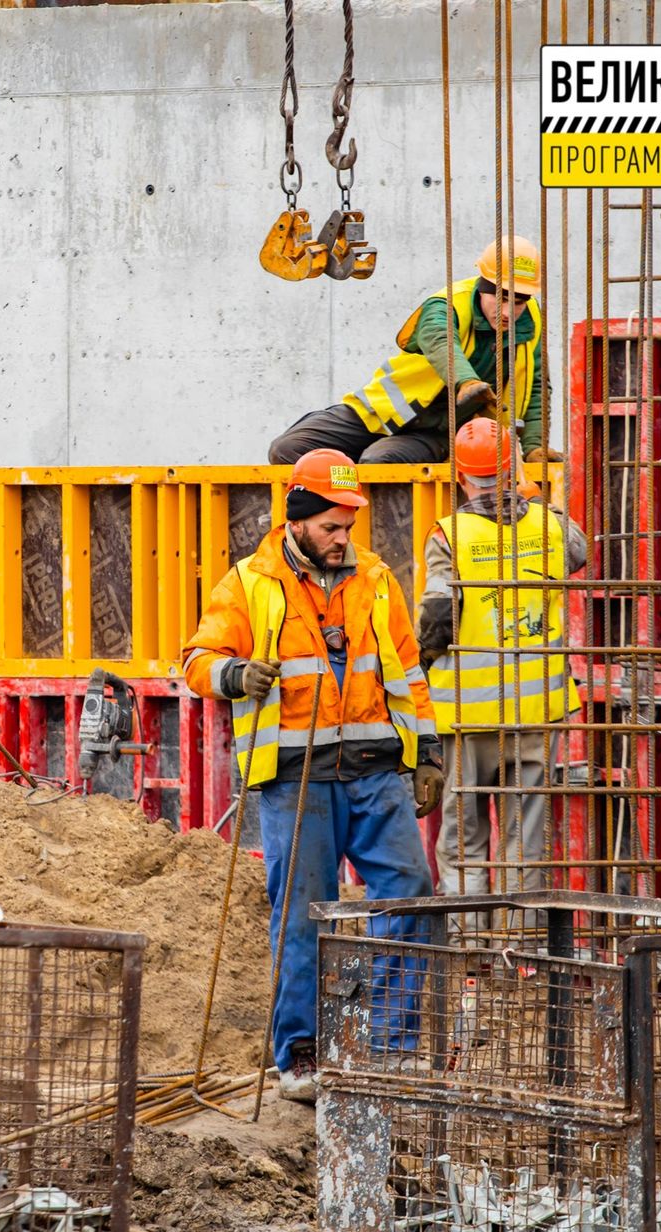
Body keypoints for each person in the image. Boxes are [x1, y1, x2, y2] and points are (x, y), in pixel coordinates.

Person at [181, 448, 445, 1103]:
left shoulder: (375, 579)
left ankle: (389, 1045)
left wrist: (429, 749)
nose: (342, 538)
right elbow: (194, 660)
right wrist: (234, 675)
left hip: (376, 771)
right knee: (302, 916)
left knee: (409, 891)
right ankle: (301, 1052)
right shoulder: (251, 583)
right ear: (297, 520)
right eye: (331, 525)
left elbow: (408, 673)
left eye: (349, 525)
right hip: (298, 781)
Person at [419, 419, 587, 901]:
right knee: (525, 840)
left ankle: (470, 954)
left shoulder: (449, 536)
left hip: (468, 719)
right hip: (535, 713)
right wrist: (532, 497)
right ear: (512, 468)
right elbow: (578, 552)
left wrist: (424, 662)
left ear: (459, 474)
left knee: (464, 841)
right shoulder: (553, 527)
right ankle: (525, 951)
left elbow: (437, 618)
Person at [269, 234, 555, 467]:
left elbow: (537, 386)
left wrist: (534, 447)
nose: (508, 312)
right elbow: (440, 341)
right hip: (383, 411)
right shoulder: (447, 304)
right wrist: (465, 381)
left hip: (439, 430)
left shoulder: (531, 321)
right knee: (288, 449)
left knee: (379, 462)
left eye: (518, 302)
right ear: (483, 284)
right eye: (502, 297)